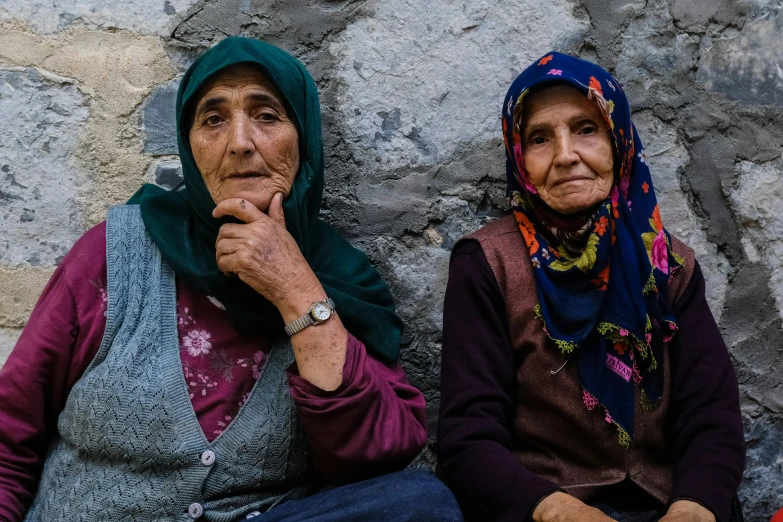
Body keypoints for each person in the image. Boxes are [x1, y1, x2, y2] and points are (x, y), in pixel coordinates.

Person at [0, 36, 462, 522]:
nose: (240, 143)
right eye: (214, 119)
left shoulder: (342, 280)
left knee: (420, 504)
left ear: (303, 138)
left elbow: (378, 456)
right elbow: (10, 435)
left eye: (266, 116)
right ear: (189, 145)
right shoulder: (112, 256)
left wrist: (295, 289)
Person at [437, 52, 744, 522]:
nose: (565, 155)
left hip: (666, 506)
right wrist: (557, 511)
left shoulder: (669, 263)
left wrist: (694, 508)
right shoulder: (487, 263)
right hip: (542, 506)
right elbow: (469, 438)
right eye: (540, 138)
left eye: (586, 129)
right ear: (519, 157)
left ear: (618, 140)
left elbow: (712, 419)